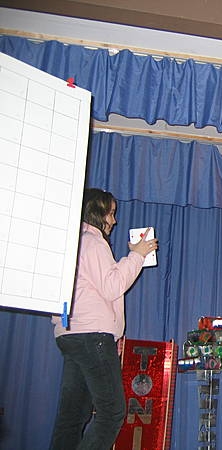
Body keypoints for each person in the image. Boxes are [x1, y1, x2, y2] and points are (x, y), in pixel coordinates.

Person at [50, 188, 158, 450]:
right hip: (93, 336)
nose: (114, 220)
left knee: (72, 416)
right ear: (97, 213)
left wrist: (132, 257)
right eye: (111, 213)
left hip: (71, 334)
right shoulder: (93, 242)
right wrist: (137, 255)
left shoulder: (74, 242)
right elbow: (112, 286)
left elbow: (99, 284)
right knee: (111, 413)